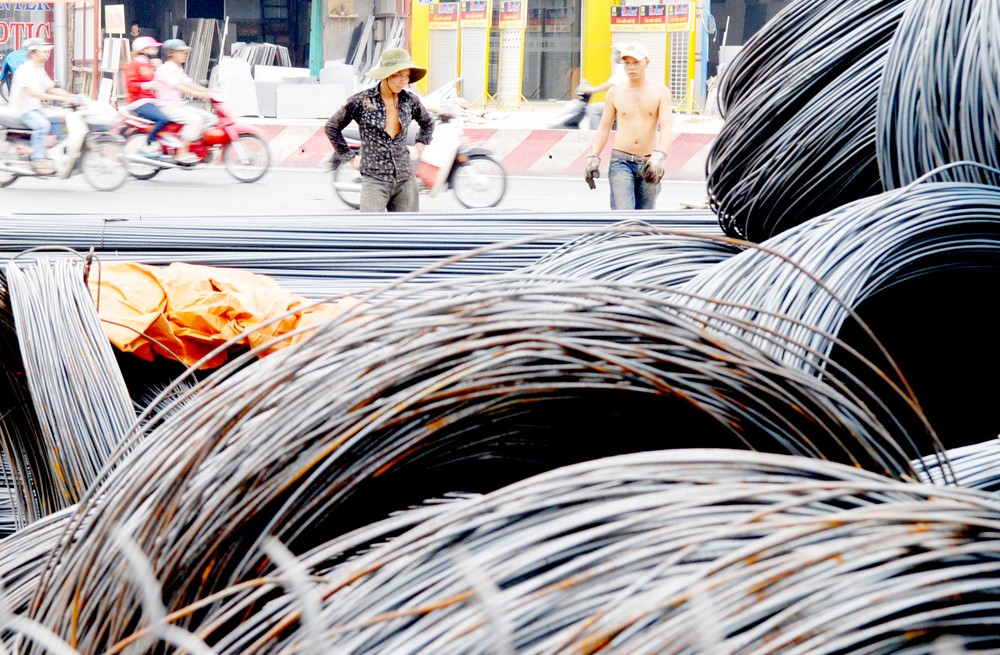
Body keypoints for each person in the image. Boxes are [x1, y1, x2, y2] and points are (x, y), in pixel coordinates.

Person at [324, 48, 435, 213]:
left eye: (406, 76)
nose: (403, 80)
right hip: (375, 179)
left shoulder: (410, 101)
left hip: (405, 179)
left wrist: (418, 148)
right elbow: (332, 127)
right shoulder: (362, 100)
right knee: (371, 232)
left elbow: (428, 123)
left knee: (408, 233)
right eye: (398, 75)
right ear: (386, 74)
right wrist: (351, 159)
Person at [584, 42, 673, 210]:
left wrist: (660, 155)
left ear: (647, 62)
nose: (631, 67)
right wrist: (593, 156)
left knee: (645, 217)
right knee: (623, 215)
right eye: (627, 62)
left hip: (649, 162)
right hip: (621, 162)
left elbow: (667, 126)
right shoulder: (615, 92)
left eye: (636, 62)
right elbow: (604, 127)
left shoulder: (660, 92)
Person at [8, 38, 75, 175]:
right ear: (32, 53)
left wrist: (71, 96)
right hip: (23, 110)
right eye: (42, 52)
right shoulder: (24, 70)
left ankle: (48, 152)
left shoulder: (39, 70)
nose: (45, 54)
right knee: (42, 125)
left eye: (45, 52)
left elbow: (51, 88)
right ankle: (37, 159)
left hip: (35, 109)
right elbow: (33, 93)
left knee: (60, 121)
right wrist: (58, 98)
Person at [153, 38, 218, 164]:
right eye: (181, 52)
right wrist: (198, 94)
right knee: (195, 120)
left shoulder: (177, 69)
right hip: (167, 106)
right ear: (171, 53)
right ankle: (182, 151)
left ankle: (189, 141)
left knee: (211, 118)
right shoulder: (164, 69)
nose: (185, 55)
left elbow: (190, 83)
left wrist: (210, 92)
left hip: (178, 105)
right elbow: (178, 86)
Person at [124, 36, 171, 149]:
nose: (156, 50)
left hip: (152, 99)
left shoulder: (149, 64)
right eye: (152, 48)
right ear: (143, 50)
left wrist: (158, 68)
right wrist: (146, 85)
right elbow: (130, 85)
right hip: (139, 101)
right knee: (163, 119)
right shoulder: (134, 65)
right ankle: (148, 143)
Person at [578, 43, 627, 129]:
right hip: (620, 102)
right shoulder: (621, 66)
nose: (613, 55)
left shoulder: (623, 67)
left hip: (623, 104)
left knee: (593, 109)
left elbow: (609, 85)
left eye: (616, 53)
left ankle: (595, 135)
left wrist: (592, 90)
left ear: (622, 54)